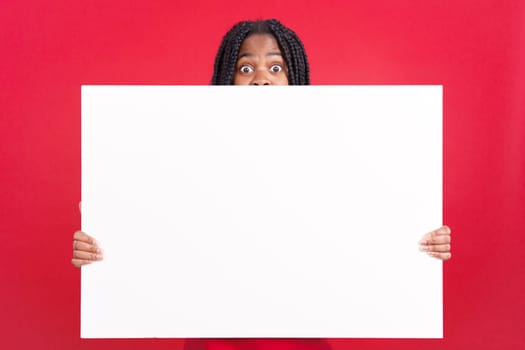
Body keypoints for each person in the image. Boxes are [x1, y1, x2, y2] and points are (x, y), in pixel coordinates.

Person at [72, 19, 452, 350]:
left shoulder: (333, 160)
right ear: (226, 79)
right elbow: (156, 231)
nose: (262, 79)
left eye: (276, 67)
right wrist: (102, 245)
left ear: (294, 79)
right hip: (214, 340)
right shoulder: (186, 158)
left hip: (300, 340)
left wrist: (418, 244)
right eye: (245, 69)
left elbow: (361, 229)